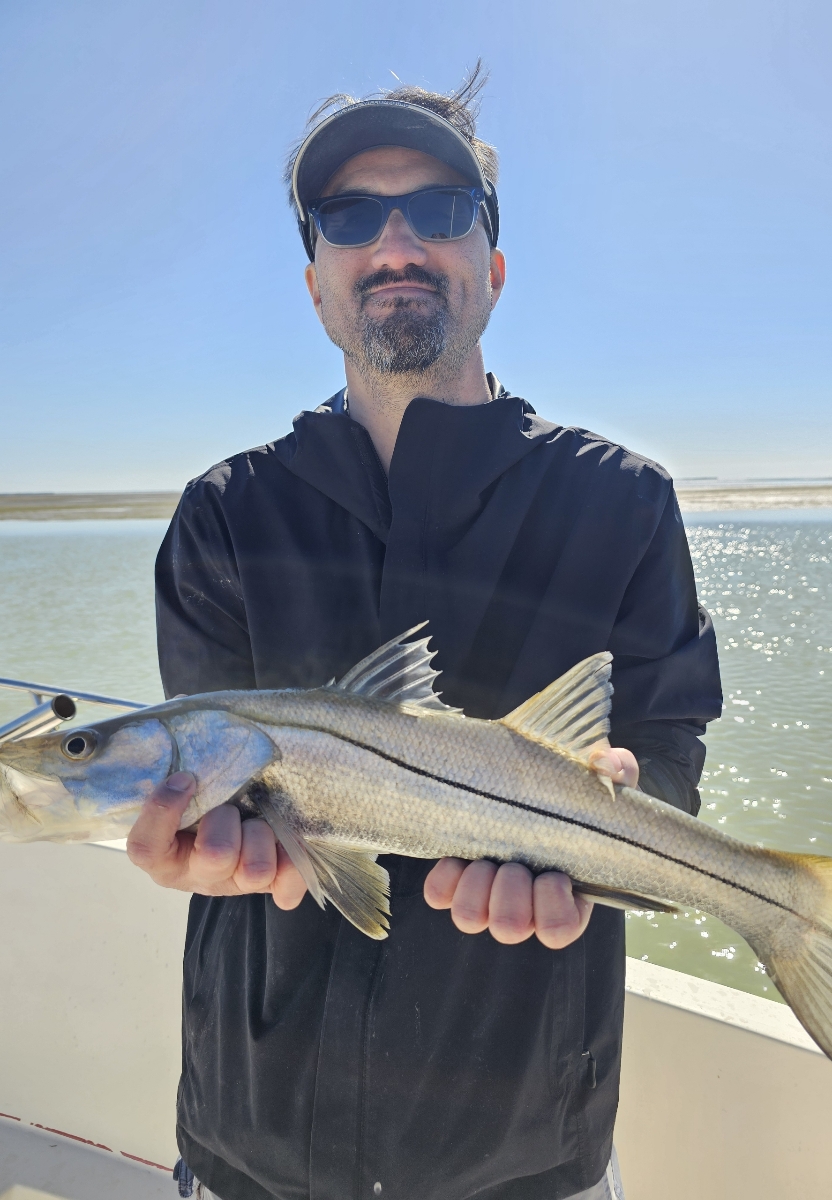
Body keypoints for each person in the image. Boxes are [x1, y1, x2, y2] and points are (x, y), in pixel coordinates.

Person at [128, 67, 722, 1200]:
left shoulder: (624, 501)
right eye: (351, 216)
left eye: (439, 208)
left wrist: (633, 793)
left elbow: (670, 740)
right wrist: (191, 844)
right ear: (315, 283)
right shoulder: (223, 514)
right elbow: (216, 793)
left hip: (522, 1159)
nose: (395, 242)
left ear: (491, 266)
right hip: (249, 1146)